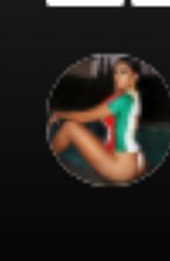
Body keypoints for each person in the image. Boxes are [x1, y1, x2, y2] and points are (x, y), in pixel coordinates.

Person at [48, 56, 147, 184]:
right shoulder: (133, 96)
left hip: (121, 166)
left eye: (123, 72)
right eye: (115, 72)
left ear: (135, 76)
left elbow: (84, 117)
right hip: (137, 160)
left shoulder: (123, 100)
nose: (117, 76)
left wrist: (59, 114)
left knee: (69, 127)